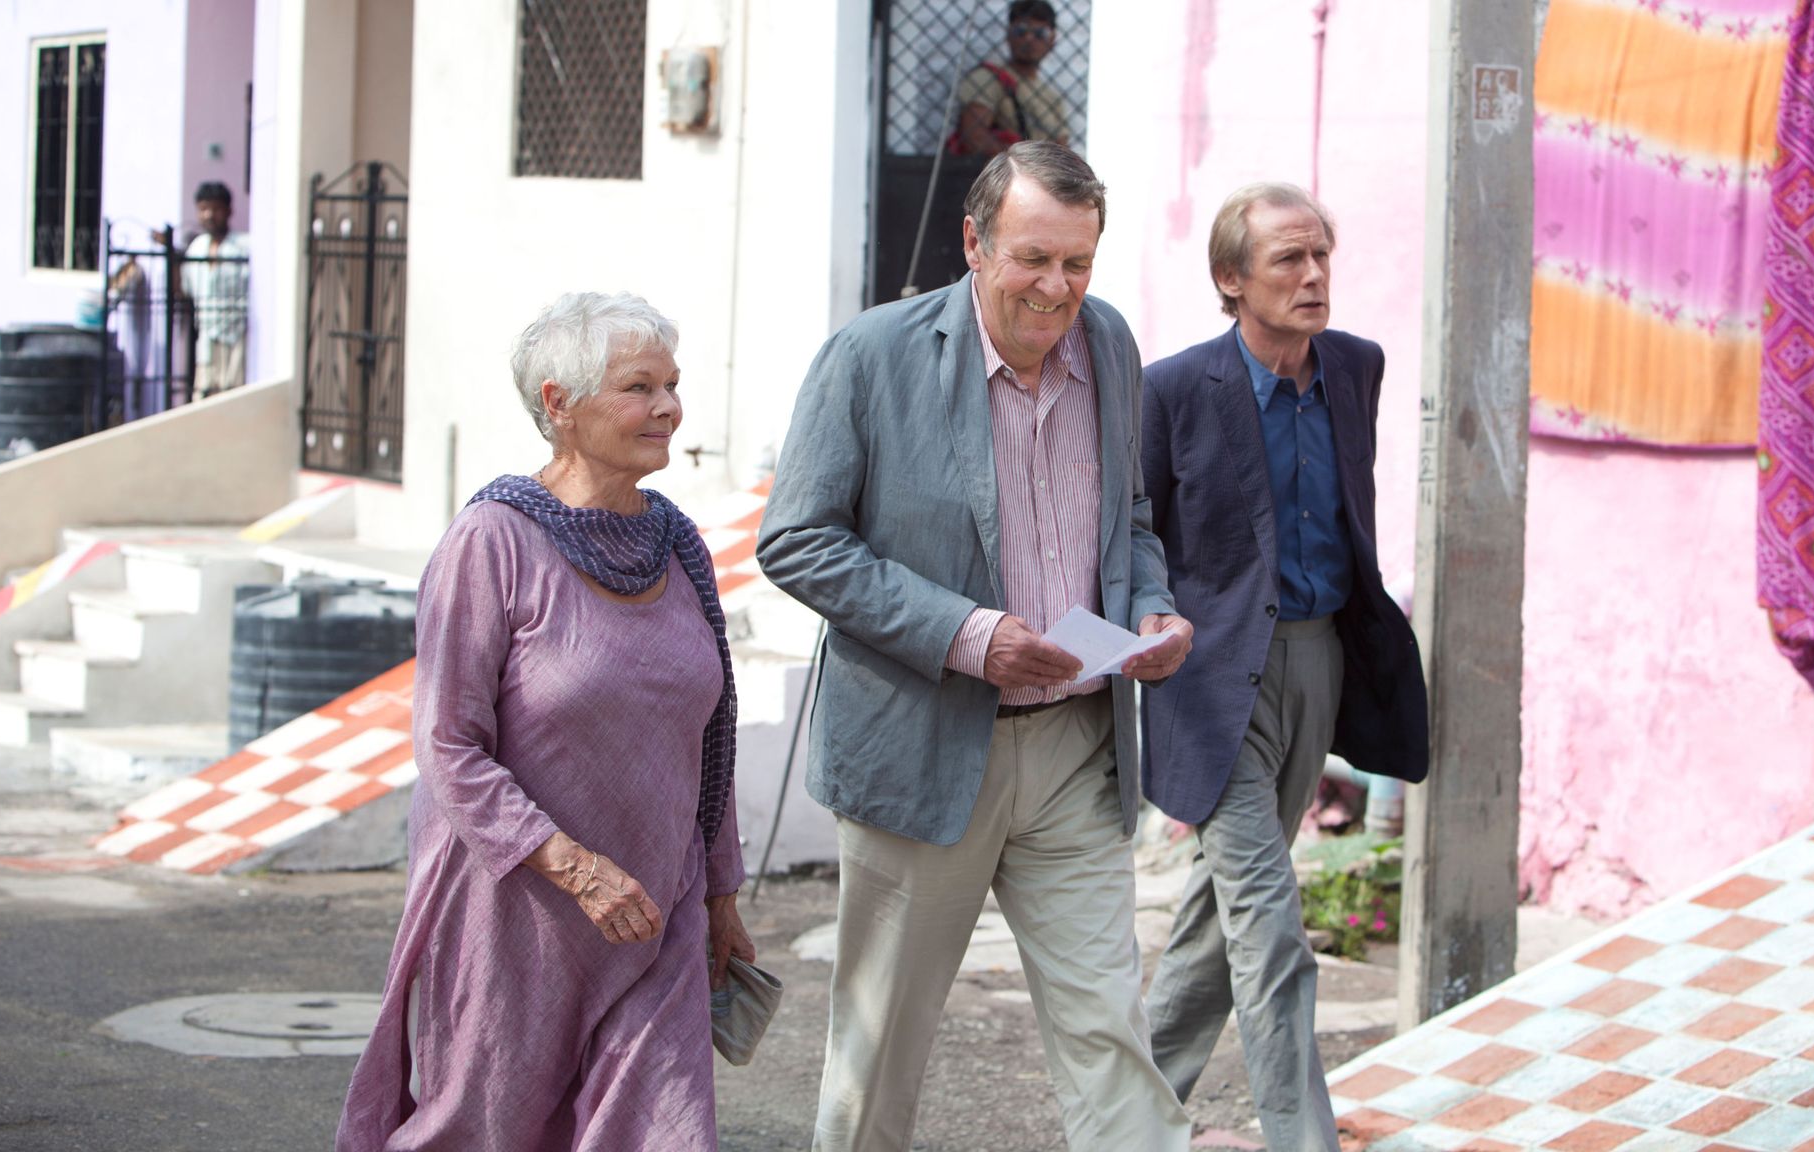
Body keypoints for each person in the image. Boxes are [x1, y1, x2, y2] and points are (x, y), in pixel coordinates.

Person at [758, 141, 1195, 1152]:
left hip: (1076, 749)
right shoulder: (871, 356)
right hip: (921, 749)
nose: (1056, 289)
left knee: (1108, 1035)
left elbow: (1126, 520)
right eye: (1032, 259)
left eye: (1077, 265)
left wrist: (1149, 611)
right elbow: (796, 540)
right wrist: (967, 635)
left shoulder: (1112, 347)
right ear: (972, 243)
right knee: (878, 1059)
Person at [334, 291, 755, 1152]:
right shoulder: (491, 541)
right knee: (483, 1130)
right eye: (641, 387)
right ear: (560, 405)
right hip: (517, 908)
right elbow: (449, 745)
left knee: (664, 1133)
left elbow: (710, 733)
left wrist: (719, 893)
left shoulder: (676, 542)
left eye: (673, 385)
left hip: (654, 911)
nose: (669, 407)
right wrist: (575, 870)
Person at [1138, 183, 1429, 1150]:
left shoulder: (1355, 367)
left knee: (1215, 928)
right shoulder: (1174, 389)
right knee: (1267, 925)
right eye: (1287, 262)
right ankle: (1303, 1138)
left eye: (1321, 258)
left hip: (1320, 662)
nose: (1312, 278)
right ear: (1232, 280)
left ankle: (1130, 1120)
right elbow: (1134, 530)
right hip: (1212, 682)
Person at [952, 1, 1071, 156]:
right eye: (1021, 31)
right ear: (1008, 34)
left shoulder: (1053, 98)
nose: (1029, 38)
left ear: (1052, 39)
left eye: (1040, 33)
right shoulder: (988, 78)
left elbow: (1062, 150)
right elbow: (975, 137)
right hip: (1004, 175)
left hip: (1041, 174)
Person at [183, 181, 250, 397]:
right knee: (204, 393)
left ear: (228, 211)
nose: (210, 215)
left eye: (216, 209)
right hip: (207, 335)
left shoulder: (243, 247)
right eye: (204, 209)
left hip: (237, 335)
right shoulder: (197, 248)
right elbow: (186, 289)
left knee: (233, 394)